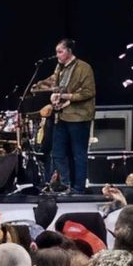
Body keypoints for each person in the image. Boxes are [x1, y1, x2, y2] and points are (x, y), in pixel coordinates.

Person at [32, 39, 98, 192]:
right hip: (62, 115)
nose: (57, 55)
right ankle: (65, 184)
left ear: (69, 51)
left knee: (78, 154)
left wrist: (66, 96)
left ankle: (79, 188)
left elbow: (89, 92)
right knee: (57, 153)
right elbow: (54, 83)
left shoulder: (84, 68)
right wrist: (40, 87)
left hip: (79, 116)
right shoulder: (60, 68)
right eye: (57, 52)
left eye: (60, 52)